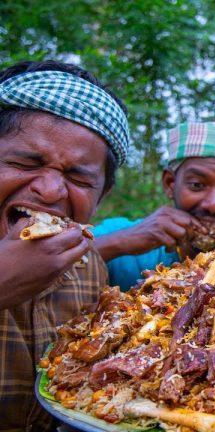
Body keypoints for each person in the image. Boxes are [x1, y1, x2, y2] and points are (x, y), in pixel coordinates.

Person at [0, 60, 130, 431]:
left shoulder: (88, 266)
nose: (50, 190)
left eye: (78, 178)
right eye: (25, 162)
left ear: (102, 195)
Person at [92, 122, 215, 292]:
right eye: (197, 185)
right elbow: (75, 252)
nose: (213, 205)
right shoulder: (121, 237)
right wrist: (119, 242)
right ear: (170, 183)